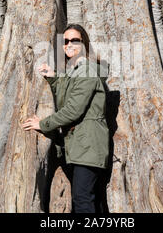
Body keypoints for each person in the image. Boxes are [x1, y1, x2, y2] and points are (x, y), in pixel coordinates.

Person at [21, 23, 109, 213]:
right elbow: (66, 94)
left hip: (89, 145)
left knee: (83, 199)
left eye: (74, 40)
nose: (69, 44)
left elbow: (73, 110)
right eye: (65, 41)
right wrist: (53, 78)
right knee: (85, 198)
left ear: (84, 43)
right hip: (78, 146)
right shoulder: (74, 72)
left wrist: (43, 124)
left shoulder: (88, 71)